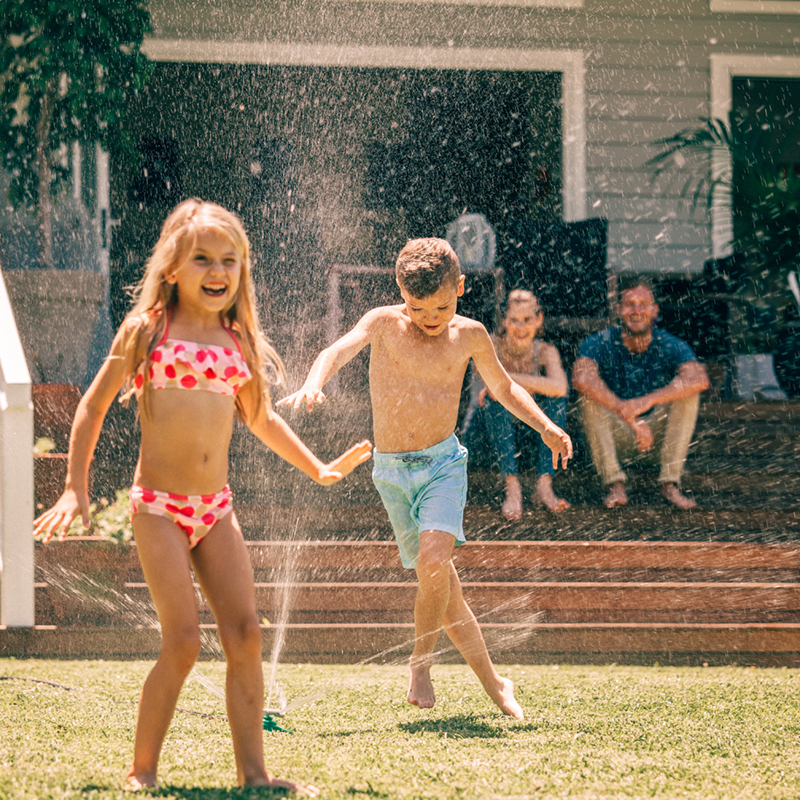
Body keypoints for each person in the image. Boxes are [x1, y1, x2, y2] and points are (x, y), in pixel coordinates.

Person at [33, 199, 372, 795]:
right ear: (171, 268)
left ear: (242, 270)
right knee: (184, 642)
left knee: (246, 635)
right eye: (203, 259)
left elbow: (262, 419)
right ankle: (142, 770)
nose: (218, 271)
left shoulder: (237, 340)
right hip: (158, 508)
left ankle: (254, 774)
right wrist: (73, 487)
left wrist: (318, 468)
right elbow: (92, 406)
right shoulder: (147, 332)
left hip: (215, 511)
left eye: (229, 260)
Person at [279, 238, 572, 719]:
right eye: (418, 308)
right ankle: (496, 683)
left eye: (441, 306)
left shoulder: (471, 334)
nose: (430, 317)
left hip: (442, 466)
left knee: (435, 563)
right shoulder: (383, 323)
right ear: (401, 291)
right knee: (444, 591)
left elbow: (504, 387)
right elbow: (337, 350)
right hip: (393, 473)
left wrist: (544, 426)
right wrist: (313, 383)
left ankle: (420, 665)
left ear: (461, 287)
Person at [571, 278, 709, 510]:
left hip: (656, 438)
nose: (636, 310)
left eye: (643, 304)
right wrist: (629, 416)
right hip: (616, 438)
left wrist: (645, 402)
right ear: (618, 310)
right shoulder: (600, 341)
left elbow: (699, 379)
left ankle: (669, 484)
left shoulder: (669, 343)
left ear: (655, 310)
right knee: (588, 397)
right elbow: (581, 378)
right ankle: (615, 484)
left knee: (688, 392)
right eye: (629, 304)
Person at [462, 289, 570, 518]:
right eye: (514, 320)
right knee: (495, 399)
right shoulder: (490, 345)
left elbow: (561, 388)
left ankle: (544, 485)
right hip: (483, 438)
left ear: (539, 320)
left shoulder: (546, 351)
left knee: (556, 402)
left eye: (527, 319)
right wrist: (534, 385)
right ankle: (512, 488)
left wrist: (510, 379)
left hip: (524, 439)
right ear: (504, 321)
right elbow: (494, 392)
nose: (521, 327)